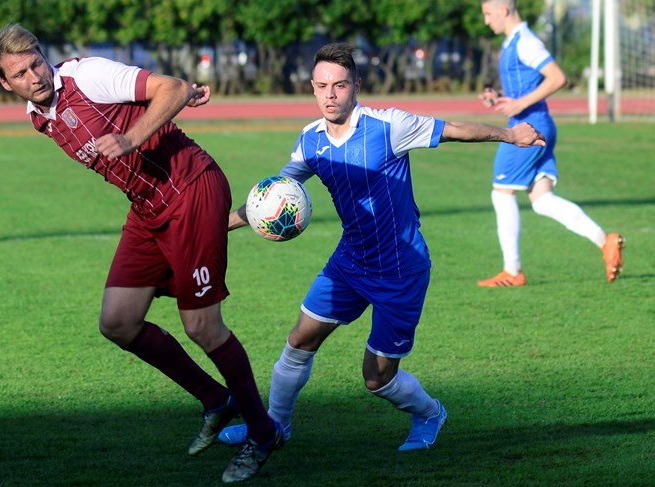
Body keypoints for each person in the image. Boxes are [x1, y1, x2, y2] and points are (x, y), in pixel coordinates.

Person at [217, 42, 546, 453]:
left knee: (377, 378)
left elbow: (455, 130)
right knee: (300, 339)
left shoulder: (388, 125)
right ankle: (274, 427)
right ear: (313, 89)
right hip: (350, 262)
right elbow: (273, 199)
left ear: (356, 85)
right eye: (321, 86)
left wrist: (511, 135)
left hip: (400, 269)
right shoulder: (310, 141)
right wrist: (215, 228)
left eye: (339, 85)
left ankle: (430, 414)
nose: (330, 95)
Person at [0, 23, 281, 483]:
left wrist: (137, 132)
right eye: (21, 73)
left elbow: (173, 87)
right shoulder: (38, 117)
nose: (35, 77)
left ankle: (263, 433)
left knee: (201, 325)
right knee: (118, 321)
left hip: (191, 189)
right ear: (7, 84)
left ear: (47, 57)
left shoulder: (87, 75)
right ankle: (216, 400)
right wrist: (166, 106)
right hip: (148, 208)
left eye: (37, 63)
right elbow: (160, 101)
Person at [477, 0, 624, 287]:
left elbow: (558, 78)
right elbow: (527, 87)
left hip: (528, 129)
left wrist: (520, 103)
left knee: (501, 192)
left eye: (487, 14)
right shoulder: (512, 42)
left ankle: (512, 271)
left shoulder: (526, 41)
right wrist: (500, 97)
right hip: (535, 124)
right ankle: (605, 241)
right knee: (542, 201)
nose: (485, 21)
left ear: (503, 10)